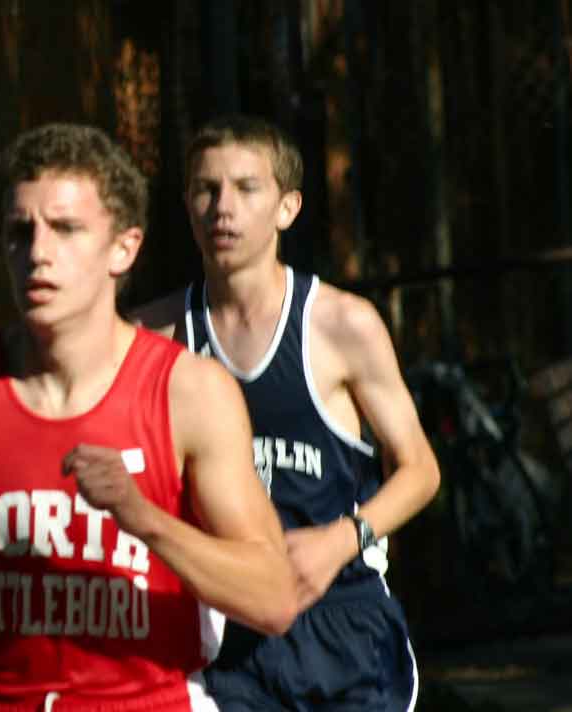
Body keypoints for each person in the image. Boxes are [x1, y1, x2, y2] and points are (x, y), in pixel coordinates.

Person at [0, 122, 299, 711]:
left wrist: (143, 517)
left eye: (66, 229)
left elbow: (273, 598)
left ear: (124, 248)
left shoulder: (187, 392)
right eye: (19, 232)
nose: (37, 253)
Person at [131, 114, 441, 711]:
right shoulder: (152, 337)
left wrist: (342, 540)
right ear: (187, 206)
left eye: (246, 188)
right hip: (227, 634)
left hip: (343, 620)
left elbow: (421, 470)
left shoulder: (341, 324)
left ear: (287, 208)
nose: (223, 207)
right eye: (206, 189)